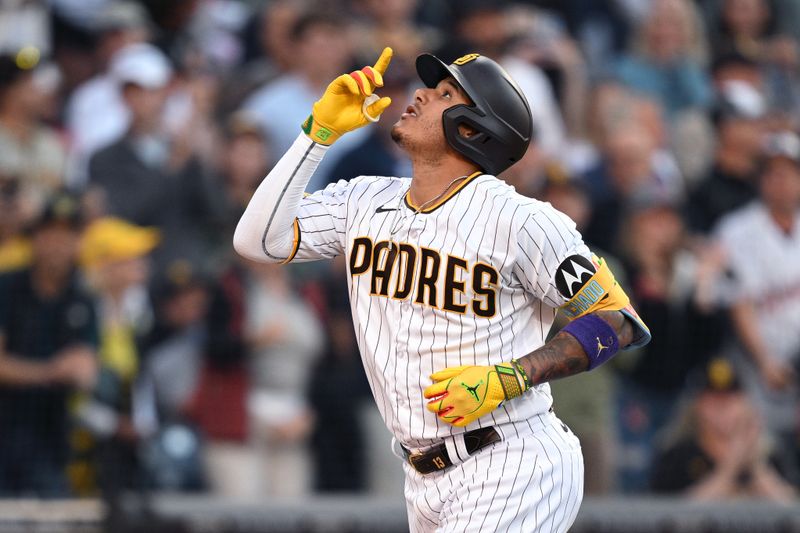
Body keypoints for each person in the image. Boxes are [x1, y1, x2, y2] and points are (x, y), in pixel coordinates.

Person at [234, 48, 651, 531]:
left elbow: (619, 320)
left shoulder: (522, 220)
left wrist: (511, 377)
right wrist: (317, 135)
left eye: (444, 94)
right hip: (423, 476)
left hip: (512, 458)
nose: (418, 95)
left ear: (472, 129)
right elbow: (258, 239)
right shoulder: (364, 199)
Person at [0, 191, 98, 497]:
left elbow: (86, 369)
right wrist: (50, 372)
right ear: (36, 239)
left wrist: (77, 370)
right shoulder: (7, 287)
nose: (58, 245)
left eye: (67, 237)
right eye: (51, 235)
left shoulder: (83, 297)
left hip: (51, 437)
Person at [651, 357, 796, 500]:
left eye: (729, 399)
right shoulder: (678, 455)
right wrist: (729, 469)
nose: (721, 408)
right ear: (697, 405)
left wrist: (756, 465)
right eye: (713, 399)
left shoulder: (770, 453)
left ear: (745, 404)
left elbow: (790, 510)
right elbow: (669, 514)